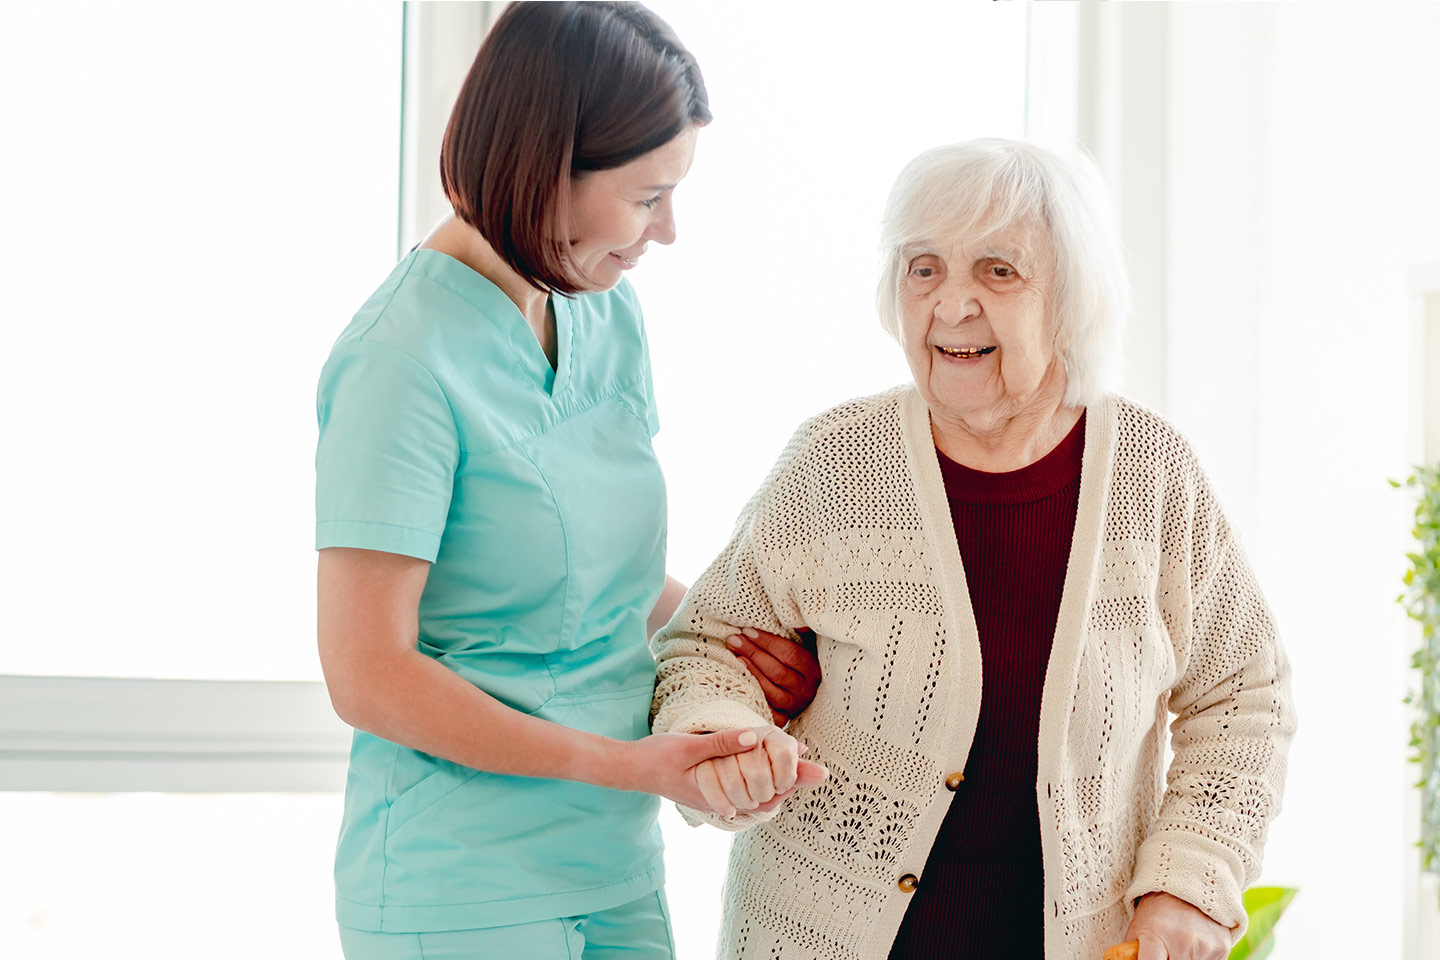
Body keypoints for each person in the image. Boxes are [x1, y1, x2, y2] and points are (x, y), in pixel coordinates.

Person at [650, 139, 1296, 960]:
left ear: (1071, 298)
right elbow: (707, 651)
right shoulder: (834, 464)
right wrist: (729, 739)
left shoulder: (1151, 473)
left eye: (998, 270)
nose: (951, 305)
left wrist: (1189, 885)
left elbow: (1245, 695)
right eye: (924, 269)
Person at [314, 4, 822, 958]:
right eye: (646, 196)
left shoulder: (606, 315)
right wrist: (627, 766)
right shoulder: (400, 362)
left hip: (612, 865)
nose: (667, 231)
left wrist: (731, 638)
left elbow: (599, 583)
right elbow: (368, 675)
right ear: (548, 167)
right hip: (461, 883)